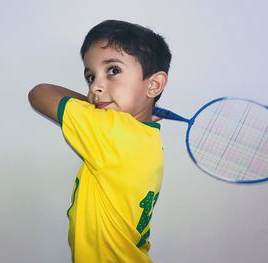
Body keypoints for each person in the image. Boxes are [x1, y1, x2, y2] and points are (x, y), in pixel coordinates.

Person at [28, 20, 172, 263]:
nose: (95, 86)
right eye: (90, 76)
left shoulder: (112, 133)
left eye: (113, 70)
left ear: (154, 84)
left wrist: (93, 109)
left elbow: (40, 93)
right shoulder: (145, 136)